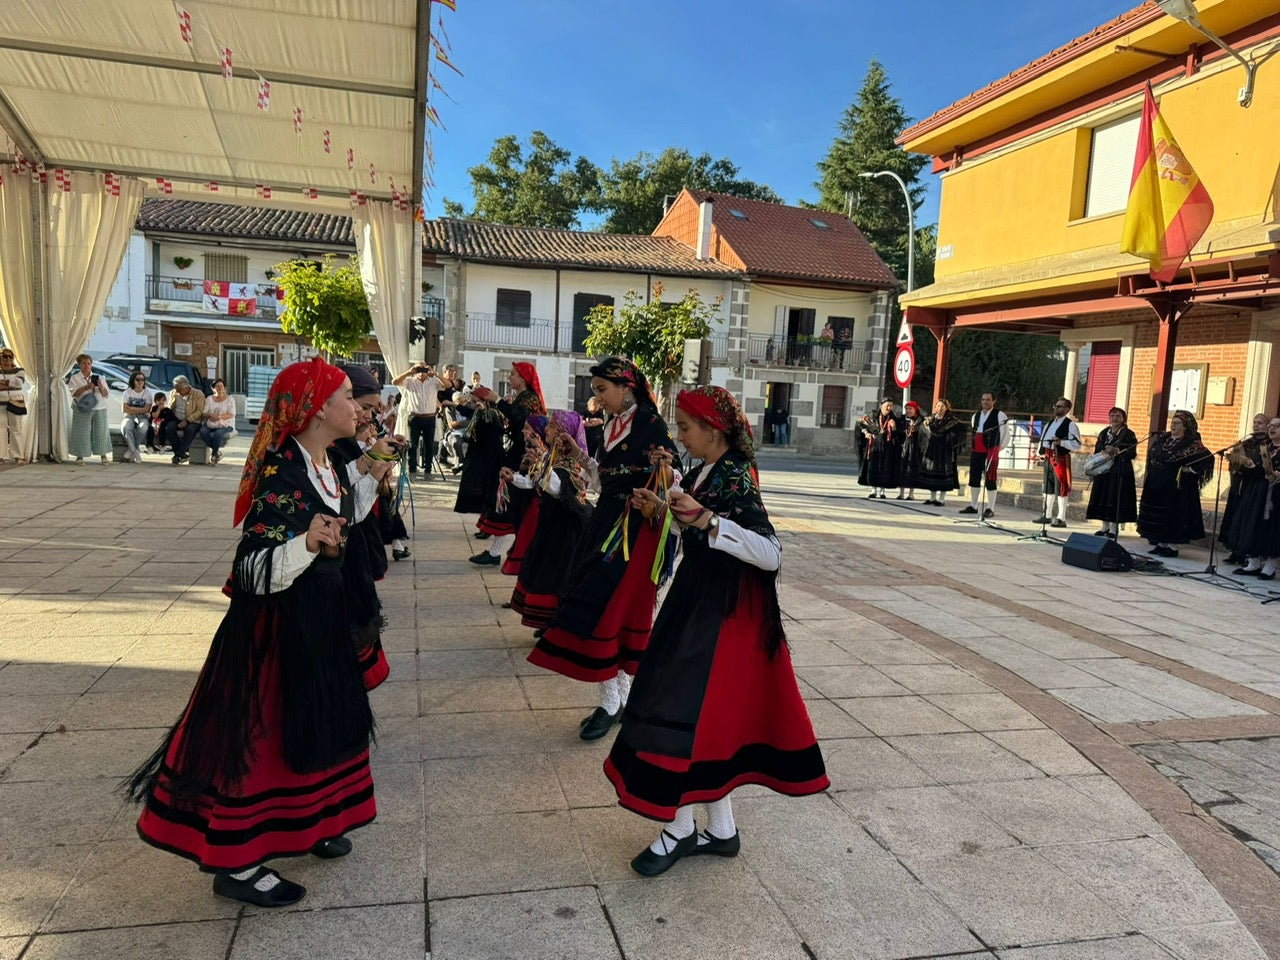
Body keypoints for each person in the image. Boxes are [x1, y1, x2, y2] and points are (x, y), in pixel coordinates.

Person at [127, 357, 397, 908]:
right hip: (276, 634)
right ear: (319, 408)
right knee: (261, 737)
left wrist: (370, 470)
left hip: (321, 619)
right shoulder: (282, 475)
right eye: (348, 396)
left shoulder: (323, 461)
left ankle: (317, 820)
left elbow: (342, 509)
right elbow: (250, 569)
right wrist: (305, 545)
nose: (360, 406)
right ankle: (239, 862)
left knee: (318, 724)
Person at [605, 385, 828, 877]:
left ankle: (680, 827)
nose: (680, 435)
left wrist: (707, 520)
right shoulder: (705, 469)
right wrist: (663, 511)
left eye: (686, 427)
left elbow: (771, 554)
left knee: (680, 715)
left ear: (713, 430)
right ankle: (721, 829)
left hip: (721, 620)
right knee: (694, 719)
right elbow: (696, 532)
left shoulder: (736, 478)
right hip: (695, 605)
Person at [527, 357, 678, 742]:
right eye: (594, 390)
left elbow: (674, 477)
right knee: (601, 606)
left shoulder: (650, 423)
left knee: (613, 608)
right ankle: (617, 699)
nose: (597, 398)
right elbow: (602, 477)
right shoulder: (612, 425)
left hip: (634, 527)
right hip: (606, 520)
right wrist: (577, 456)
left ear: (625, 386)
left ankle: (614, 700)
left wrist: (662, 474)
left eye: (602, 390)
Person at [510, 411, 594, 632]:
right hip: (552, 525)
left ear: (562, 433)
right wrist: (517, 477)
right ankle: (551, 622)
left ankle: (556, 623)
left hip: (565, 530)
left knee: (558, 577)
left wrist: (539, 466)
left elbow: (558, 490)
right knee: (547, 572)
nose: (546, 429)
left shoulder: (570, 461)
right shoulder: (553, 456)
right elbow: (535, 483)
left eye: (552, 426)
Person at [472, 362, 547, 565]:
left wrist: (497, 399)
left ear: (523, 378)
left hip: (525, 456)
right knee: (509, 501)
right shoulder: (524, 398)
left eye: (513, 374)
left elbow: (518, 418)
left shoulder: (529, 399)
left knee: (510, 500)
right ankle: (497, 552)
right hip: (518, 453)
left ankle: (500, 553)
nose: (510, 377)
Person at [1137, 410, 1214, 557]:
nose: (1173, 425)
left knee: (1172, 515)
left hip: (1175, 487)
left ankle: (1171, 546)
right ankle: (1160, 542)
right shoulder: (1163, 439)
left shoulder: (1192, 443)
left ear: (1185, 426)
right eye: (1172, 422)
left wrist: (1189, 469)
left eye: (1177, 423)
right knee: (1158, 514)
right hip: (1157, 483)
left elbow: (1207, 459)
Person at [497, 416, 549, 577]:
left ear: (537, 432)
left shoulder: (543, 454)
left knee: (529, 549)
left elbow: (534, 482)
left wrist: (514, 478)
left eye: (527, 428)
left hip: (537, 508)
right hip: (528, 505)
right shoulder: (532, 449)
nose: (523, 431)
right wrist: (513, 474)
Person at [1233, 417, 1280, 580]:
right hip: (1258, 492)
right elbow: (1256, 470)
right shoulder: (1264, 447)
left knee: (1272, 528)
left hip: (1276, 495)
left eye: (1277, 426)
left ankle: (1270, 566)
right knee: (1254, 525)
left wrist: (1276, 476)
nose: (1273, 429)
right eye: (1272, 426)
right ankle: (1254, 562)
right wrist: (1247, 464)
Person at [1221, 413, 1270, 565]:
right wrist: (1236, 461)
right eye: (1255, 422)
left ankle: (1246, 554)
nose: (1256, 425)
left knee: (1248, 519)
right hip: (1241, 483)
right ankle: (1234, 550)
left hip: (1256, 486)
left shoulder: (1268, 444)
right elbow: (1236, 463)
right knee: (1236, 516)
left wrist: (1249, 463)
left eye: (1260, 423)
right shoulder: (1246, 442)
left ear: (1267, 426)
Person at [1084, 407, 1138, 539]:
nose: (1114, 418)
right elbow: (1097, 449)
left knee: (1115, 496)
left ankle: (1114, 528)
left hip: (1120, 469)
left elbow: (1132, 453)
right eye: (1112, 415)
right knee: (1102, 495)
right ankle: (1104, 527)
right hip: (1103, 469)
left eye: (1118, 416)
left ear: (1123, 419)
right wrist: (1104, 451)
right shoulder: (1104, 433)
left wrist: (1117, 450)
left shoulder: (1128, 434)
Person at [1033, 398, 1083, 528]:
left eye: (1060, 407)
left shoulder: (1070, 425)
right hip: (1048, 457)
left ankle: (1061, 517)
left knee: (1061, 486)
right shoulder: (1049, 423)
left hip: (1060, 457)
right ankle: (1047, 515)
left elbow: (1077, 444)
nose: (1056, 408)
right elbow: (1043, 439)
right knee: (1048, 487)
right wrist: (1040, 453)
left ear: (1067, 409)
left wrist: (1061, 442)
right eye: (1055, 406)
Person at [391, 363, 445, 478]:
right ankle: (412, 470)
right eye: (419, 369)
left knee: (429, 446)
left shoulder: (433, 381)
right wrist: (409, 372)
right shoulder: (410, 381)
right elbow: (394, 382)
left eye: (423, 369)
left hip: (429, 417)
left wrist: (436, 374)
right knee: (412, 445)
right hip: (415, 417)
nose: (421, 372)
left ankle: (428, 471)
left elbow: (448, 384)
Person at [959, 392, 1009, 518]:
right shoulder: (976, 416)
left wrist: (997, 449)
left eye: (988, 400)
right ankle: (973, 505)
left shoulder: (999, 415)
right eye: (983, 400)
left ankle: (990, 508)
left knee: (990, 479)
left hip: (990, 450)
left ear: (993, 401)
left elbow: (1005, 434)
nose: (985, 402)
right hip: (977, 451)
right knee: (974, 478)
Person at [919, 399, 964, 506]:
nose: (939, 408)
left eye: (942, 406)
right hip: (933, 449)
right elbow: (924, 430)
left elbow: (960, 430)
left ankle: (941, 499)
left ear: (947, 408)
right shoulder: (932, 419)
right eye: (938, 406)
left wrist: (950, 440)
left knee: (943, 473)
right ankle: (932, 497)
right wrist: (926, 425)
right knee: (932, 472)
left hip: (944, 450)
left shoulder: (951, 420)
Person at [68, 354, 111, 464]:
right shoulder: (75, 378)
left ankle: (103, 455)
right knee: (81, 431)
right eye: (84, 363)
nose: (87, 366)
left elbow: (106, 394)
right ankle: (80, 456)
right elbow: (74, 393)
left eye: (89, 363)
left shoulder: (99, 377)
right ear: (79, 365)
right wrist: (86, 387)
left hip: (99, 407)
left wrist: (100, 387)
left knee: (101, 431)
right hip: (82, 407)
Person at [856, 398, 903, 498]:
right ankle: (873, 490)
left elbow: (899, 433)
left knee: (885, 467)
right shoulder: (873, 415)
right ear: (882, 406)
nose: (889, 408)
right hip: (874, 444)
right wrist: (866, 433)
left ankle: (882, 491)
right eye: (887, 405)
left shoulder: (893, 418)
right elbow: (861, 423)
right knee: (873, 466)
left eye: (891, 406)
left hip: (888, 445)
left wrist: (894, 427)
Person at [164, 375, 205, 465]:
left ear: (186, 387)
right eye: (176, 389)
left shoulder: (198, 394)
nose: (177, 391)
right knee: (169, 428)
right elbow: (170, 408)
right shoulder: (174, 393)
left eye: (179, 390)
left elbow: (199, 411)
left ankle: (178, 454)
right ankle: (181, 453)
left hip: (193, 420)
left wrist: (187, 420)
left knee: (190, 430)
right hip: (177, 418)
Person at [199, 378, 237, 465]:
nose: (220, 388)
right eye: (217, 387)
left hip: (226, 424)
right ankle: (216, 452)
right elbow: (204, 412)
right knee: (202, 431)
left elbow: (231, 414)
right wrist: (210, 415)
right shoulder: (209, 399)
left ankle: (214, 455)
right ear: (213, 388)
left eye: (222, 386)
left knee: (217, 434)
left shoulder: (230, 399)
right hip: (211, 422)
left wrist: (219, 417)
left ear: (224, 388)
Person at [0, 347, 27, 464]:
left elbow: (19, 383)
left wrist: (3, 383)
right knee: (0, 428)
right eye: (4, 356)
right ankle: (1, 455)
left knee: (17, 429)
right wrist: (11, 385)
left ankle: (18, 455)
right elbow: (15, 384)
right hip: (1, 402)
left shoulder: (19, 370)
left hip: (16, 402)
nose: (7, 359)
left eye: (10, 357)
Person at [119, 371, 151, 463]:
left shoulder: (148, 393)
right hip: (129, 416)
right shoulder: (127, 393)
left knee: (143, 428)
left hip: (143, 417)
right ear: (133, 381)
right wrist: (138, 409)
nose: (140, 382)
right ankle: (135, 451)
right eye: (138, 380)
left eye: (142, 380)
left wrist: (132, 408)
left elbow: (147, 409)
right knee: (126, 427)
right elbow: (125, 409)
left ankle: (131, 450)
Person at [898, 400, 926, 501]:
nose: (908, 411)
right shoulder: (902, 419)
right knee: (902, 468)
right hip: (903, 446)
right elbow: (899, 430)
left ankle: (911, 493)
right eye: (907, 409)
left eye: (910, 409)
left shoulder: (921, 420)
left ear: (915, 409)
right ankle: (901, 493)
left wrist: (916, 430)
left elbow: (924, 434)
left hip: (915, 448)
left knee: (913, 470)